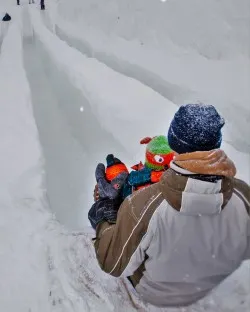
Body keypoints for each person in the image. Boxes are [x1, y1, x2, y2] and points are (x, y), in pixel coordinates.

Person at [92, 104, 250, 307]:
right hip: (212, 283)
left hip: (157, 292)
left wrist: (105, 214)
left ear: (173, 144)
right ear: (216, 144)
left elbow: (113, 264)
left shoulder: (144, 204)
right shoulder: (243, 195)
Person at [89, 136, 174, 229]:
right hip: (131, 208)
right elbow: (132, 178)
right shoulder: (141, 174)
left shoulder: (173, 173)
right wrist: (152, 175)